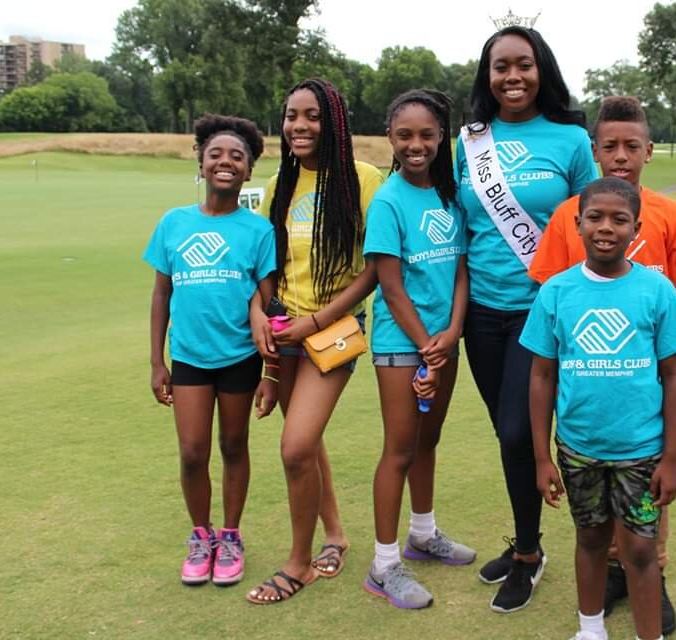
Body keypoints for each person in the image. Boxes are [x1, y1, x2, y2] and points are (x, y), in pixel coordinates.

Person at [529, 95, 676, 635]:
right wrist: (542, 454)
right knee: (593, 535)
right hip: (583, 431)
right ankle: (598, 613)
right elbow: (547, 351)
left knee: (642, 540)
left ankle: (648, 591)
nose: (619, 155)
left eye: (631, 145)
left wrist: (672, 448)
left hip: (642, 423)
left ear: (648, 150)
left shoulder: (670, 227)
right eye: (608, 145)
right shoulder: (567, 227)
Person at [456, 24, 598, 613]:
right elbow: (455, 227)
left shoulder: (569, 140)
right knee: (507, 432)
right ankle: (527, 542)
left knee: (521, 431)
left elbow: (597, 221)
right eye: (500, 67)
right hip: (480, 315)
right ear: (486, 76)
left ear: (543, 70)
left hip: (542, 312)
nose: (512, 77)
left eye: (524, 64)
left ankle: (529, 556)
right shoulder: (467, 141)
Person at [245, 78, 384, 604]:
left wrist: (318, 320)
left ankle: (299, 563)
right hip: (284, 332)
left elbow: (374, 269)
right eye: (290, 116)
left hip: (336, 332)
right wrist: (260, 310)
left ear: (335, 123)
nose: (299, 126)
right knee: (309, 443)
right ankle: (336, 536)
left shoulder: (361, 178)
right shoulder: (281, 184)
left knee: (296, 445)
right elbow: (262, 265)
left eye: (312, 116)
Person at [145, 114, 277, 588]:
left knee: (232, 445)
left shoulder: (258, 231)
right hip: (189, 358)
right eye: (216, 154)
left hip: (241, 356)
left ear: (248, 171)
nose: (225, 162)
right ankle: (201, 537)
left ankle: (231, 536)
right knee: (192, 451)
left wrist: (271, 373)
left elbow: (270, 302)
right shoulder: (173, 223)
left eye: (237, 157)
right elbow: (162, 293)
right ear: (200, 163)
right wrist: (157, 361)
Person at [362, 89, 474, 609]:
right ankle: (384, 566)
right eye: (405, 135)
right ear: (390, 137)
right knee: (400, 449)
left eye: (427, 135)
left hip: (442, 341)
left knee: (428, 442)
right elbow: (390, 287)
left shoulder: (450, 195)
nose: (416, 145)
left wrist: (451, 333)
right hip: (400, 346)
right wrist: (429, 347)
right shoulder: (388, 200)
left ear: (441, 138)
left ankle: (423, 535)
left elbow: (459, 271)